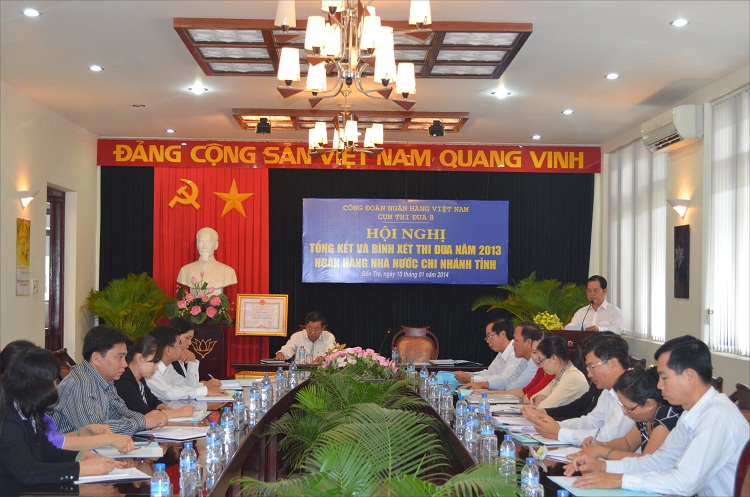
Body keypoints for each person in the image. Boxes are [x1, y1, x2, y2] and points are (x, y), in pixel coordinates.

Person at [567, 335, 749, 497]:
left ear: (689, 376)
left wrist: (619, 480)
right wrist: (604, 467)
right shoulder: (691, 413)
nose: (659, 385)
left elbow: (683, 483)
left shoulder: (716, 416)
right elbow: (660, 462)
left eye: (664, 377)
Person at [0, 347, 123, 492]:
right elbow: (27, 472)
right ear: (35, 384)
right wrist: (80, 468)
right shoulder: (8, 420)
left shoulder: (28, 411)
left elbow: (46, 451)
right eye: (52, 382)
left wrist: (80, 456)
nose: (55, 387)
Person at [0, 340, 134, 454]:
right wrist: (106, 440)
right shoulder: (12, 414)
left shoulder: (28, 406)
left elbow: (51, 439)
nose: (55, 386)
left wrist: (82, 432)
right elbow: (50, 446)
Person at [52, 326, 168, 436]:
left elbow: (123, 413)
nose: (125, 364)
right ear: (96, 358)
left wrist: (148, 419)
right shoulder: (81, 384)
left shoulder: (106, 381)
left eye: (125, 357)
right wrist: (143, 421)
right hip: (68, 450)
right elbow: (95, 431)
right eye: (119, 357)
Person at [528, 334, 634, 445]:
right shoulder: (607, 391)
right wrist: (557, 426)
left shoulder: (631, 392)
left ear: (613, 364)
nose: (589, 374)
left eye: (592, 367)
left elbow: (608, 436)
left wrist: (560, 432)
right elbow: (591, 421)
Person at [563, 367, 681, 467]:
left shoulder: (665, 415)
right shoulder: (645, 417)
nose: (625, 412)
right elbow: (627, 443)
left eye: (629, 408)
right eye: (622, 406)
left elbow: (646, 461)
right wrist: (599, 445)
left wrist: (601, 452)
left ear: (649, 404)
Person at [114, 335, 196, 420]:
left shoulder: (140, 378)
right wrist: (179, 412)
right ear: (139, 358)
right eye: (154, 362)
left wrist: (165, 408)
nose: (156, 367)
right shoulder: (124, 382)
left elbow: (154, 402)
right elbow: (145, 414)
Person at [144, 326, 226, 402]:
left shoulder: (168, 366)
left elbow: (187, 386)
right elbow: (169, 393)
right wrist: (205, 391)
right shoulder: (150, 369)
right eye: (180, 343)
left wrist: (192, 361)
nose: (182, 347)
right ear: (168, 350)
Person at [473, 331, 555, 404]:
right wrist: (489, 392)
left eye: (515, 340)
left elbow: (525, 396)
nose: (538, 357)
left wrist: (490, 392)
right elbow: (522, 390)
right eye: (534, 352)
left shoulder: (548, 370)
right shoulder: (540, 369)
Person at [462, 322, 541, 391]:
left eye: (516, 340)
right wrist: (481, 384)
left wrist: (487, 390)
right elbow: (508, 380)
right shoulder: (524, 360)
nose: (513, 344)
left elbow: (517, 389)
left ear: (528, 342)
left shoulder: (535, 363)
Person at [520, 334, 588, 411]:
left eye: (541, 360)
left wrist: (541, 402)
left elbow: (545, 407)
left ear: (554, 358)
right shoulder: (559, 375)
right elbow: (532, 398)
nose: (541, 364)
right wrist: (536, 399)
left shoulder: (572, 377)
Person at [454, 319, 518, 384]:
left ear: (502, 334)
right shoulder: (501, 352)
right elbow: (490, 372)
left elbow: (504, 379)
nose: (487, 341)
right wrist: (470, 375)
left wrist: (472, 378)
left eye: (489, 336)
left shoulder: (516, 353)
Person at [177, 227, 237, 294]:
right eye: (201, 242)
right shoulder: (185, 270)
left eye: (208, 242)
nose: (204, 247)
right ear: (197, 245)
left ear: (216, 245)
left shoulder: (228, 272)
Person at [168, 317, 221, 388]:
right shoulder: (167, 359)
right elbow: (183, 389)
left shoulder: (185, 355)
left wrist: (192, 360)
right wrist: (204, 385)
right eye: (187, 338)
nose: (190, 343)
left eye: (191, 339)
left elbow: (190, 386)